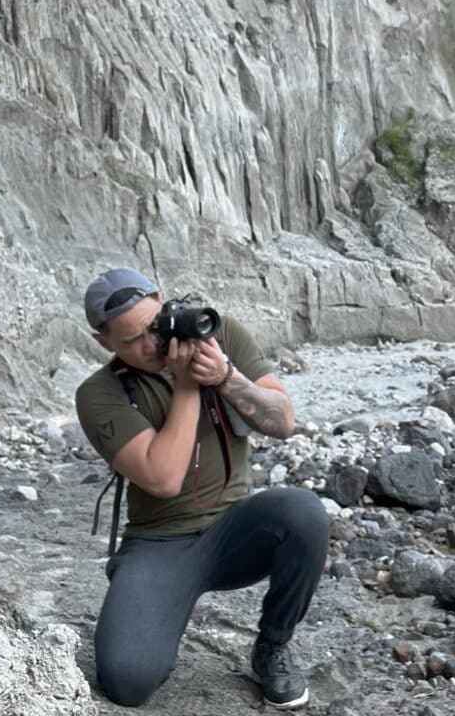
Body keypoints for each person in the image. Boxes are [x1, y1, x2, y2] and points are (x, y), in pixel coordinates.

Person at [75, 268, 329, 711]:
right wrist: (189, 387)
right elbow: (164, 478)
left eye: (155, 325)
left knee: (303, 513)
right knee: (126, 681)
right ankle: (153, 618)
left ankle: (271, 648)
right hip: (159, 543)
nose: (153, 344)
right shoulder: (99, 394)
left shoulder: (216, 331)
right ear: (104, 342)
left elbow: (282, 422)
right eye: (133, 340)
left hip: (236, 531)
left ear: (163, 297)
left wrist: (227, 377)